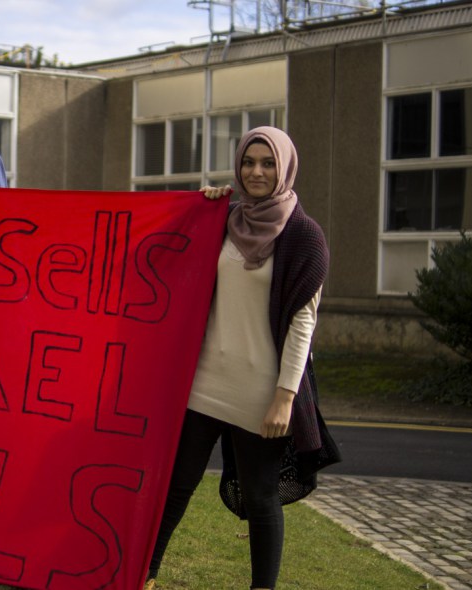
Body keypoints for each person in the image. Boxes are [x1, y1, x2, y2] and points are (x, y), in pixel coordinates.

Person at [145, 126, 338, 590]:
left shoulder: (304, 236)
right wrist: (199, 207)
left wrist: (284, 397)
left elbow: (302, 325)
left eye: (268, 163)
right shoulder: (223, 218)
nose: (256, 171)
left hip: (260, 392)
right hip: (204, 382)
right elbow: (168, 250)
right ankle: (143, 576)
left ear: (285, 168)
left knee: (260, 498)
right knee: (176, 488)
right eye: (248, 161)